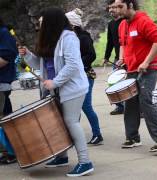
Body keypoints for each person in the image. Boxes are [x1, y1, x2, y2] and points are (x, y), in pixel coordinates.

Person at [18, 7, 93, 177]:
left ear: (52, 22)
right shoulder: (50, 39)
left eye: (43, 21)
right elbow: (40, 65)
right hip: (56, 89)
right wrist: (27, 55)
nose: (40, 24)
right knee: (58, 123)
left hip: (73, 88)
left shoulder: (69, 38)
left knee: (71, 122)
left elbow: (73, 65)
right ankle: (61, 157)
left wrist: (55, 82)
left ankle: (85, 162)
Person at [114, 0, 157, 151]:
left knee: (146, 101)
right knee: (129, 102)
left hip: (149, 69)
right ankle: (132, 138)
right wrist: (122, 58)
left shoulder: (144, 21)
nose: (118, 10)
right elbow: (123, 44)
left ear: (130, 5)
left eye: (121, 6)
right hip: (131, 69)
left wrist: (146, 62)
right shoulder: (122, 25)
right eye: (115, 7)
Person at [65, 8, 103, 145]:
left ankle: (97, 134)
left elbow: (91, 55)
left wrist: (77, 64)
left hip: (86, 76)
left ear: (73, 25)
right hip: (76, 76)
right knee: (75, 107)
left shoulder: (83, 37)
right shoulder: (71, 38)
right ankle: (75, 134)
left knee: (86, 106)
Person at [0, 17, 17, 164]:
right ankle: (8, 152)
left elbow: (7, 56)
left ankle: (11, 153)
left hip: (1, 84)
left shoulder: (4, 33)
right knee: (5, 118)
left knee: (4, 120)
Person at [104, 0, 125, 115]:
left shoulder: (125, 21)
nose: (111, 10)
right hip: (118, 58)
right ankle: (120, 106)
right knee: (113, 83)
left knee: (130, 83)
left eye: (113, 7)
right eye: (110, 8)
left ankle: (139, 108)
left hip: (129, 59)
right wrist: (106, 57)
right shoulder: (111, 24)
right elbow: (110, 42)